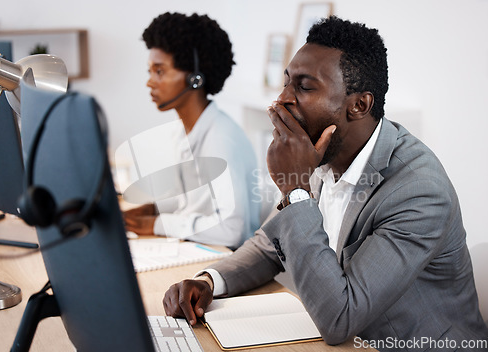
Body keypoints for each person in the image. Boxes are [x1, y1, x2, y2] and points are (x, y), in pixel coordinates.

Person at [162, 16, 488, 351]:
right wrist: (210, 281)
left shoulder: (418, 191)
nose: (281, 100)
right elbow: (269, 244)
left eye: (303, 87)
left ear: (359, 105)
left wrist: (294, 189)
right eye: (286, 82)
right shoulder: (324, 151)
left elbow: (339, 319)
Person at [123, 12, 260, 249]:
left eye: (160, 71)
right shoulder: (185, 131)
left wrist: (154, 224)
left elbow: (232, 231)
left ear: (195, 79)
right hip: (198, 250)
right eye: (150, 71)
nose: (150, 82)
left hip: (224, 258)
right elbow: (189, 201)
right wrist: (149, 210)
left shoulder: (221, 139)